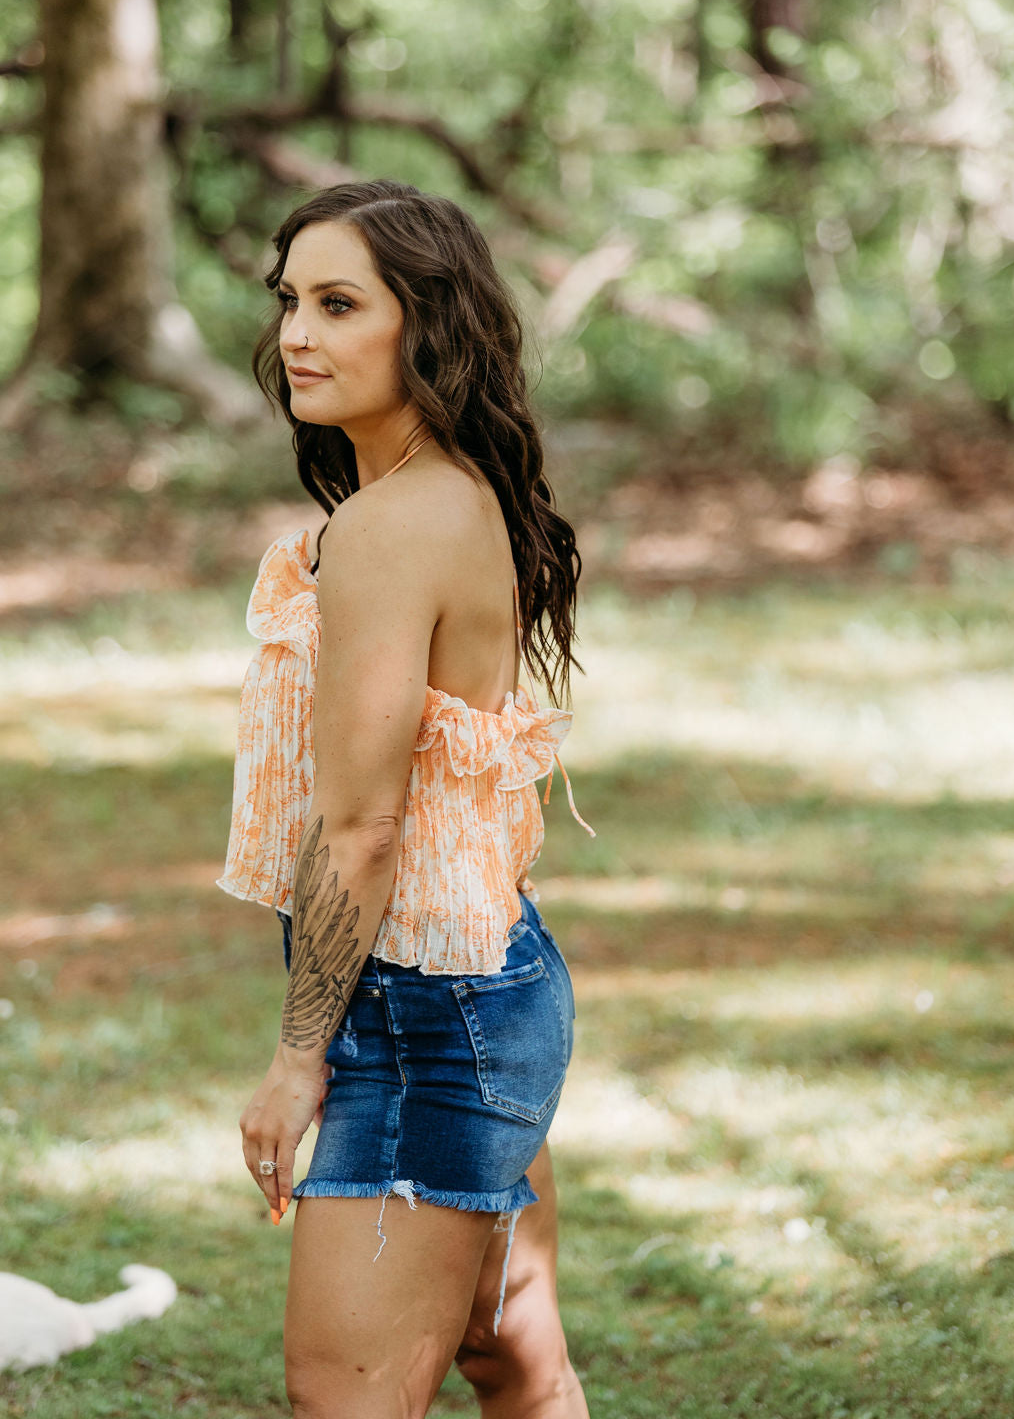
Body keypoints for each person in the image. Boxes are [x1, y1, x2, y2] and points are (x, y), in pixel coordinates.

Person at [218, 179, 593, 1419]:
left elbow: (364, 826)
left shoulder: (387, 527)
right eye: (290, 303)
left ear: (423, 326)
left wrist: (294, 1060)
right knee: (515, 1357)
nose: (297, 338)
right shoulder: (458, 492)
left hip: (425, 1016)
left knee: (348, 1398)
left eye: (338, 304)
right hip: (488, 974)